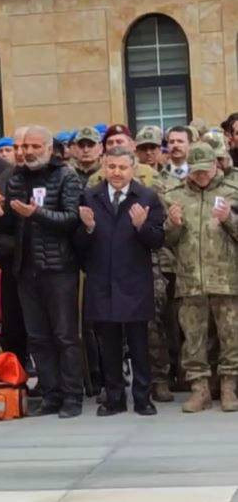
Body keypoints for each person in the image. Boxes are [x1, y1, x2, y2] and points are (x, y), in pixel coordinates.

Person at [0, 125, 84, 418]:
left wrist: (37, 214)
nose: (27, 152)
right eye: (24, 147)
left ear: (49, 148)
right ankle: (51, 394)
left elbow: (71, 219)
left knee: (65, 336)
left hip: (59, 268)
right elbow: (9, 229)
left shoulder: (66, 176)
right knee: (38, 336)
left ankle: (72, 397)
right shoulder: (15, 178)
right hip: (25, 269)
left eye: (34, 147)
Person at [75, 147, 165, 417]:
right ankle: (114, 398)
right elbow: (78, 245)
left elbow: (158, 240)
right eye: (111, 167)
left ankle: (142, 397)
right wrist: (88, 228)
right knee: (109, 344)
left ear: (132, 169)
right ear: (104, 166)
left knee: (139, 344)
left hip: (134, 281)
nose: (116, 172)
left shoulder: (147, 196)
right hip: (102, 280)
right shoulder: (90, 196)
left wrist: (142, 227)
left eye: (122, 167)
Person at [164, 142, 238, 412]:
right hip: (190, 280)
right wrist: (172, 224)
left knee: (232, 337)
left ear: (216, 165)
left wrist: (229, 218)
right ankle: (200, 389)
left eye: (205, 171)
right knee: (193, 340)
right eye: (195, 172)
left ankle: (229, 388)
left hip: (227, 279)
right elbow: (167, 241)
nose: (201, 176)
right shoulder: (175, 195)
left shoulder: (232, 192)